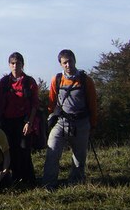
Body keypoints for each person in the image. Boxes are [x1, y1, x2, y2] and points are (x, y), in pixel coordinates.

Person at [42, 49, 98, 191]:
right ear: (61, 64)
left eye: (70, 61)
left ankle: (76, 183)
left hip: (81, 122)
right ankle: (49, 184)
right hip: (61, 122)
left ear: (75, 60)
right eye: (64, 63)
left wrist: (93, 124)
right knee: (52, 152)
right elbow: (51, 102)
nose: (68, 65)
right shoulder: (57, 79)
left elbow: (93, 104)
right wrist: (51, 117)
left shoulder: (86, 80)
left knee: (79, 157)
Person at [0, 52, 40, 186]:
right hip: (7, 120)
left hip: (24, 120)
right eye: (13, 63)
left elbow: (35, 104)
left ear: (23, 64)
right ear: (9, 65)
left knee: (24, 149)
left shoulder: (29, 81)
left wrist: (29, 122)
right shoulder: (4, 82)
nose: (15, 66)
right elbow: (0, 103)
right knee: (10, 149)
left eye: (18, 63)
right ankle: (15, 180)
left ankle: (29, 180)